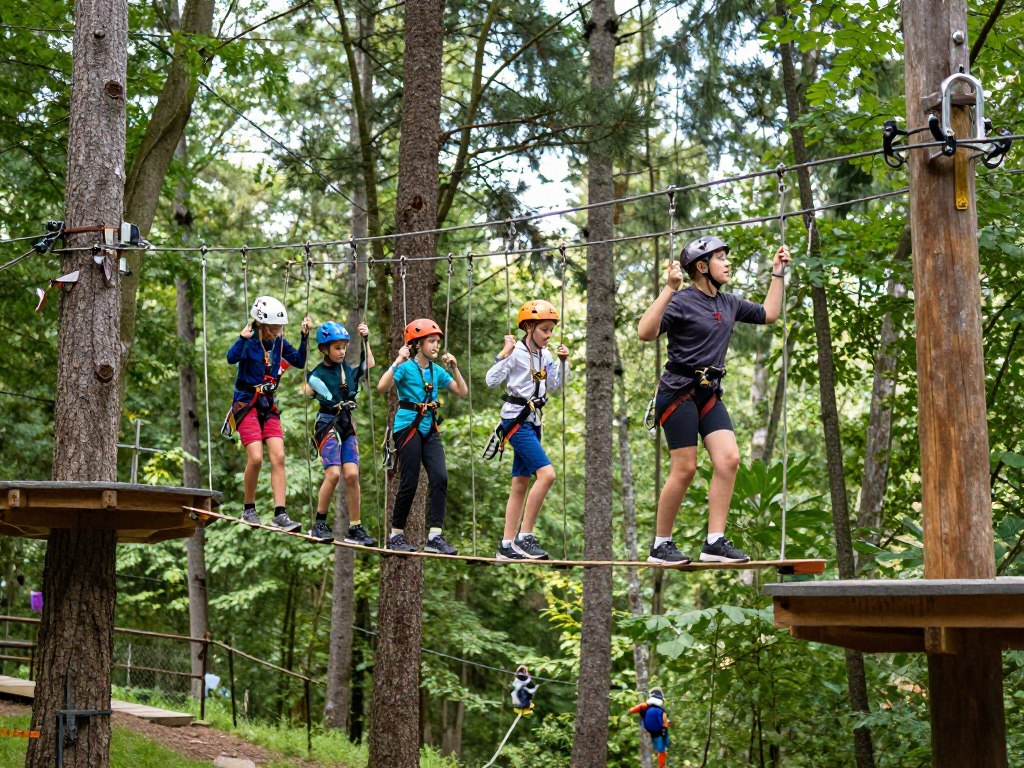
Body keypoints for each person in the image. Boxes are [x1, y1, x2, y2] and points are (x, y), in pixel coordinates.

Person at [637, 235, 790, 564]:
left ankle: (714, 543)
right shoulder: (681, 301)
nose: (728, 262)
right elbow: (645, 332)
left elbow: (770, 314)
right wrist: (668, 289)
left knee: (729, 460)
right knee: (685, 468)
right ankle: (660, 545)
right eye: (721, 258)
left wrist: (778, 273)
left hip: (709, 391)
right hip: (677, 392)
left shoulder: (729, 303)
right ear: (702, 267)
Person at [485, 300, 570, 561]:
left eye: (551, 330)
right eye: (544, 329)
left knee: (520, 484)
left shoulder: (546, 356)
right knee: (547, 475)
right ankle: (525, 537)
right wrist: (504, 352)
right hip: (515, 420)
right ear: (529, 327)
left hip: (533, 421)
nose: (549, 335)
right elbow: (491, 381)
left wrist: (563, 362)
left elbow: (556, 387)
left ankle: (507, 545)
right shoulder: (516, 353)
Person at [376, 318, 468, 555]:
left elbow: (461, 391)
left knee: (440, 477)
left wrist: (454, 368)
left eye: (437, 341)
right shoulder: (405, 368)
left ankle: (435, 537)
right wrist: (397, 360)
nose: (436, 346)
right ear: (418, 344)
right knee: (410, 479)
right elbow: (382, 387)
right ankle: (396, 535)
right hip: (407, 427)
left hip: (429, 428)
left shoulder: (437, 371)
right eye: (431, 341)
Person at [225, 295, 312, 531]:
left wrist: (305, 337)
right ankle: (249, 509)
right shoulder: (250, 342)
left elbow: (300, 361)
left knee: (279, 457)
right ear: (261, 324)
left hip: (268, 406)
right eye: (272, 328)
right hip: (246, 404)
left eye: (279, 327)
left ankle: (280, 514)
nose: (276, 332)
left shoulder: (280, 344)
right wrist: (242, 338)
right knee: (255, 457)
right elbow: (231, 358)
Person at [305, 320, 377, 546]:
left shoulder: (347, 369)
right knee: (334, 474)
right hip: (327, 424)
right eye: (337, 347)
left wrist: (366, 339)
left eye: (344, 347)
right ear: (324, 349)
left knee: (352, 475)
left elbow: (370, 364)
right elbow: (312, 389)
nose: (342, 351)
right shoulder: (318, 373)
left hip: (346, 425)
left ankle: (355, 527)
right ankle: (319, 523)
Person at [629, 688, 670, 768]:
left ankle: (661, 757)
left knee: (660, 746)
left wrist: (631, 709)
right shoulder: (661, 710)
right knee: (662, 749)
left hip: (649, 730)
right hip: (658, 732)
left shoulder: (644, 706)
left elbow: (632, 710)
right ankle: (661, 765)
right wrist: (664, 729)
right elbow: (664, 723)